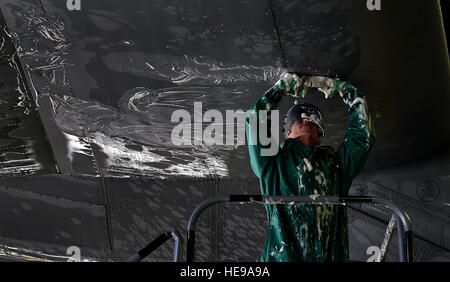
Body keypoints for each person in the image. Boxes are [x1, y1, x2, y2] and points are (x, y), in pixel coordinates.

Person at [245, 73, 376, 262]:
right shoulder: (272, 164)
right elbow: (255, 121)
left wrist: (348, 91)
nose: (305, 119)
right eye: (297, 119)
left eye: (312, 120)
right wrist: (279, 89)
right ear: (287, 134)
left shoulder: (336, 164)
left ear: (319, 137)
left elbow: (363, 138)